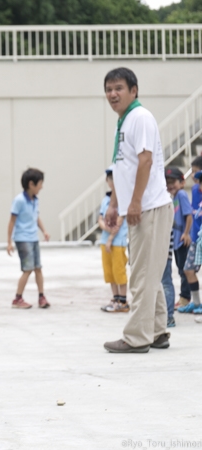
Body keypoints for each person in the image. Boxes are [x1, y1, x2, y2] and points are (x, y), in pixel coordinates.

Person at [103, 67, 173, 353]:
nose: (112, 94)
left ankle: (136, 338)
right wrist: (114, 203)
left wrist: (134, 203)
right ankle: (156, 332)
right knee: (149, 272)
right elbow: (124, 167)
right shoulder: (125, 121)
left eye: (118, 88)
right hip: (140, 207)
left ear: (134, 90)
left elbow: (145, 162)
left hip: (150, 207)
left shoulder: (139, 118)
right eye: (108, 89)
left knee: (142, 274)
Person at [7, 168, 51, 309]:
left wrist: (44, 231)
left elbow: (36, 217)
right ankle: (17, 299)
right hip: (22, 239)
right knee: (28, 269)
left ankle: (41, 297)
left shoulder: (34, 200)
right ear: (31, 184)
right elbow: (12, 221)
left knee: (38, 268)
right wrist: (9, 242)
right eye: (40, 184)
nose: (42, 187)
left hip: (33, 238)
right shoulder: (19, 200)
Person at [98, 166, 129, 313]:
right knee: (109, 273)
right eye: (111, 179)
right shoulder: (106, 200)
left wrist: (110, 237)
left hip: (117, 242)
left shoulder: (123, 199)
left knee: (119, 272)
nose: (113, 182)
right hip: (105, 242)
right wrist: (106, 229)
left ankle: (123, 301)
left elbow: (120, 221)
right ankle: (115, 299)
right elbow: (100, 219)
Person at [165, 167, 193, 308]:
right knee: (181, 269)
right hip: (176, 240)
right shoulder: (174, 197)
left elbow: (189, 215)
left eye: (173, 181)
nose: (170, 185)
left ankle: (185, 298)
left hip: (182, 239)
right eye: (167, 182)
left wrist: (186, 233)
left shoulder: (181, 194)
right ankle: (185, 297)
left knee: (184, 270)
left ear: (182, 182)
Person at [179, 158, 202, 314]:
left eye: (195, 172)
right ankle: (196, 303)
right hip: (196, 238)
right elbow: (194, 213)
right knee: (188, 269)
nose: (192, 175)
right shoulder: (194, 190)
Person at [162, 229, 176, 327]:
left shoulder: (164, 214)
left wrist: (165, 251)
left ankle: (169, 316)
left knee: (166, 284)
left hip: (164, 255)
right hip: (158, 254)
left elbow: (166, 233)